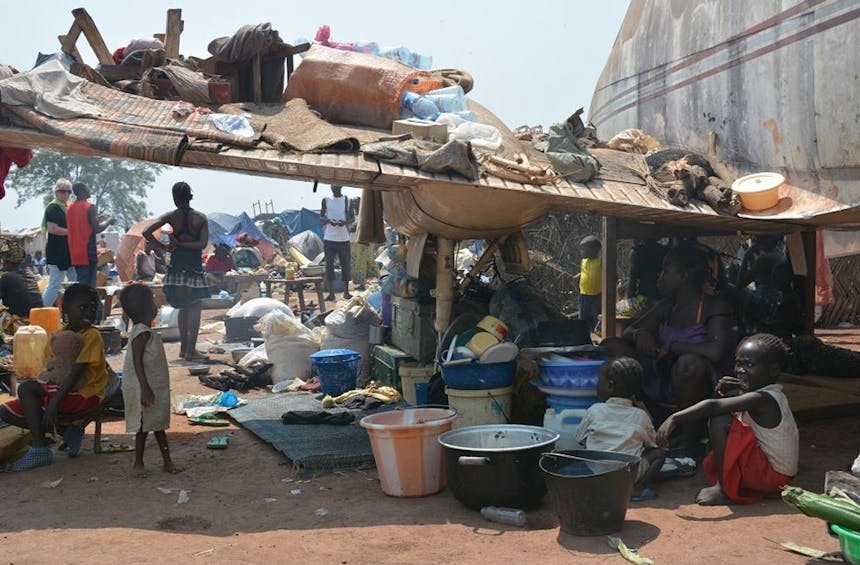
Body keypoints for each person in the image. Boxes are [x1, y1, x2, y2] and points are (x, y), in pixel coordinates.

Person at [618, 243, 738, 457]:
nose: (659, 276)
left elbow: (716, 351)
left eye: (666, 271)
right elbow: (630, 330)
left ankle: (690, 436)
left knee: (688, 364)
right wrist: (639, 334)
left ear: (684, 276)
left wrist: (674, 347)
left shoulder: (714, 306)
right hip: (665, 376)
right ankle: (629, 422)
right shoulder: (668, 306)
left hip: (702, 384)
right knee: (613, 347)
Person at [656, 334, 799, 505]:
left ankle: (723, 490)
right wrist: (720, 393)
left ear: (773, 370)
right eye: (738, 363)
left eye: (749, 365)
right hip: (778, 477)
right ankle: (730, 482)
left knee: (720, 418)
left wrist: (674, 418)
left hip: (772, 477)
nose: (740, 370)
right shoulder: (758, 395)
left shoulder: (765, 398)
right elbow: (719, 403)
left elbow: (713, 407)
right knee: (724, 415)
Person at [0, 284, 108, 471]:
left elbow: (76, 373)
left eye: (93, 308)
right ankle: (65, 431)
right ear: (64, 309)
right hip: (60, 391)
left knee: (27, 389)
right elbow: (51, 368)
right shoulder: (58, 336)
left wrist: (53, 404)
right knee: (6, 411)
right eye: (82, 308)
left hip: (85, 393)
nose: (89, 313)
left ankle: (40, 448)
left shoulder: (92, 336)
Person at [575, 357, 665, 498]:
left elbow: (580, 439)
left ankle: (596, 487)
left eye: (599, 381)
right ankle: (637, 488)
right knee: (659, 454)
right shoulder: (640, 416)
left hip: (596, 473)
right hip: (627, 476)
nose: (596, 385)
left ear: (610, 386)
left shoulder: (594, 410)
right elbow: (653, 444)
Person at [143, 182, 210, 362]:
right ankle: (191, 350)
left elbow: (146, 232)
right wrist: (180, 245)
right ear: (190, 196)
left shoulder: (170, 217)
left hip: (177, 266)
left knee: (182, 306)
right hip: (194, 267)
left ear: (174, 199)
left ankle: (183, 349)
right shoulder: (200, 218)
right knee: (194, 306)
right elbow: (202, 244)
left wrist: (165, 246)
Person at [119, 284, 180, 477]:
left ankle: (167, 462)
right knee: (144, 428)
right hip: (146, 388)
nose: (157, 305)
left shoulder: (143, 330)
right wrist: (145, 388)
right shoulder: (142, 333)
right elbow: (137, 361)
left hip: (152, 387)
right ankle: (139, 462)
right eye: (153, 300)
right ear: (147, 307)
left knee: (157, 424)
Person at [66, 182, 114, 288]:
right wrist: (108, 221)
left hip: (75, 252)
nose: (89, 190)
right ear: (83, 190)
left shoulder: (69, 208)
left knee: (82, 282)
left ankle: (90, 304)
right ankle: (87, 304)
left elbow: (82, 224)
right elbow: (97, 228)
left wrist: (97, 218)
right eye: (87, 188)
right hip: (88, 251)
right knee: (89, 287)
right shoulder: (90, 207)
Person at [41, 178, 76, 306]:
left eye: (69, 192)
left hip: (70, 251)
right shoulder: (53, 208)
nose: (66, 194)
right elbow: (52, 229)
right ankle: (41, 312)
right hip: (57, 251)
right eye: (62, 191)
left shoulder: (69, 208)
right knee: (55, 284)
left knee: (75, 284)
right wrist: (72, 232)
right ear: (56, 193)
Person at [320, 185, 354, 301]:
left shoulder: (347, 200)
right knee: (329, 265)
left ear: (341, 186)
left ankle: (346, 292)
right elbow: (321, 217)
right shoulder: (326, 200)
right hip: (329, 238)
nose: (334, 187)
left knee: (346, 265)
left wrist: (344, 222)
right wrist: (329, 221)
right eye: (332, 185)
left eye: (336, 185)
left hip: (343, 238)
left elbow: (352, 218)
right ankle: (331, 293)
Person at [0, 243, 44, 318]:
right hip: (39, 318)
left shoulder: (7, 277)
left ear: (6, 262)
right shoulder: (30, 274)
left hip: (21, 321)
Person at [572, 236, 602, 332]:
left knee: (596, 317)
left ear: (593, 250)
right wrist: (578, 276)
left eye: (584, 250)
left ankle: (596, 335)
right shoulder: (584, 261)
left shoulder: (601, 261)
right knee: (583, 317)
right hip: (583, 294)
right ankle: (583, 334)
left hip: (597, 295)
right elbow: (585, 271)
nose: (581, 252)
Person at [349, 197, 379, 291]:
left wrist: (356, 228)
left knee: (368, 263)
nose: (355, 206)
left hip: (363, 242)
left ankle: (379, 279)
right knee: (357, 264)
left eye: (356, 204)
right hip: (354, 242)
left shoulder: (366, 215)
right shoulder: (353, 216)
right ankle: (362, 284)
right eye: (354, 204)